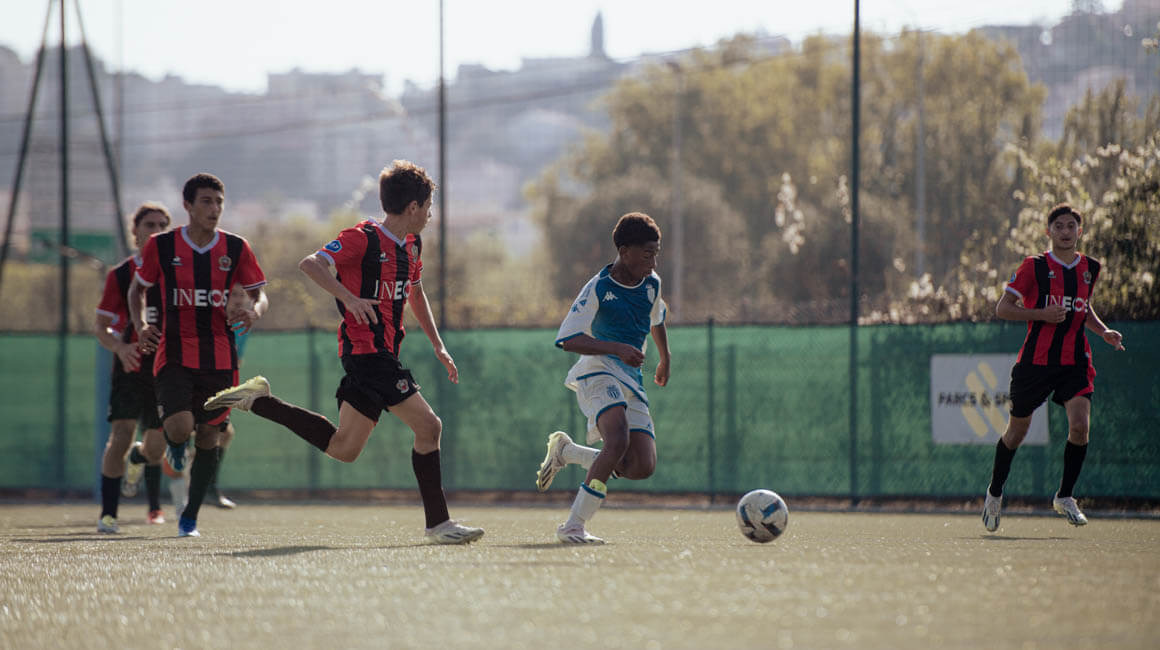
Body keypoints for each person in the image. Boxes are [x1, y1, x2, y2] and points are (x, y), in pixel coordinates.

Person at [203, 160, 483, 545]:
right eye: (429, 207)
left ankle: (259, 400)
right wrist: (349, 298)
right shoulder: (363, 238)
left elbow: (415, 294)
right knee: (429, 427)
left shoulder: (412, 245)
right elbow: (311, 264)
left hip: (382, 354)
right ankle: (439, 524)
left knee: (344, 448)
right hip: (367, 353)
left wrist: (438, 344)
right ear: (413, 207)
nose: (430, 215)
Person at [128, 173, 268, 538]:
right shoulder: (161, 246)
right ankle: (175, 445)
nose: (214, 208)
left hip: (220, 357)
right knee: (179, 428)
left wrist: (254, 311)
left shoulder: (236, 247)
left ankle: (189, 517)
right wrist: (141, 324)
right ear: (188, 205)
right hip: (174, 352)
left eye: (219, 202)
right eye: (206, 201)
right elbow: (137, 290)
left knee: (209, 435)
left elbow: (260, 294)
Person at [982, 203, 1124, 532]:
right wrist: (1040, 314)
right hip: (1035, 363)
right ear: (1048, 232)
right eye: (1058, 226)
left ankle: (1065, 496)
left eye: (1071, 226)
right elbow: (1003, 308)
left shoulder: (1090, 268)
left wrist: (1103, 331)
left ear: (1080, 231)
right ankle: (995, 491)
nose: (1065, 231)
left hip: (1075, 361)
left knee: (1080, 427)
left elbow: (1083, 307)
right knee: (1016, 433)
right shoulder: (1034, 266)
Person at [535, 212, 671, 544]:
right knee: (618, 440)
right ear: (624, 252)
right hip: (596, 370)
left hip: (631, 379)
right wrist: (617, 349)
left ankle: (568, 452)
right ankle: (573, 526)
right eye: (647, 254)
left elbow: (656, 318)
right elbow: (567, 339)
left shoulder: (652, 283)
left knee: (640, 466)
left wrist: (665, 358)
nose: (653, 262)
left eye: (656, 254)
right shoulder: (599, 287)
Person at [93, 202, 172, 532]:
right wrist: (121, 347)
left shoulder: (177, 271)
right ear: (135, 232)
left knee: (157, 446)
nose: (156, 231)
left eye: (162, 225)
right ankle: (108, 514)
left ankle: (141, 461)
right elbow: (101, 327)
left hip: (167, 370)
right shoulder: (121, 274)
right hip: (131, 368)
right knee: (121, 436)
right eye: (149, 225)